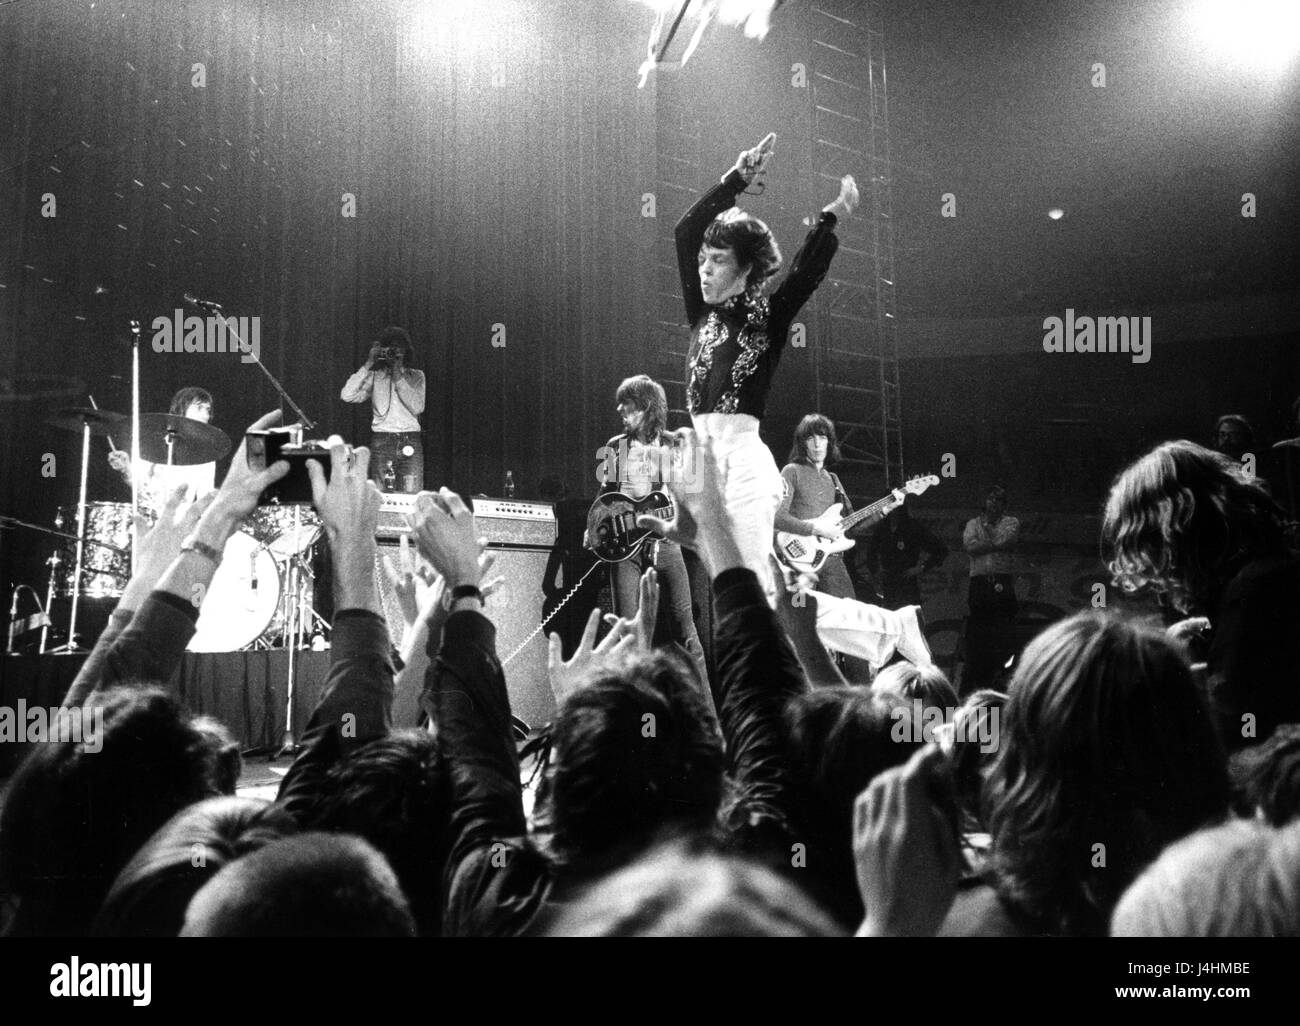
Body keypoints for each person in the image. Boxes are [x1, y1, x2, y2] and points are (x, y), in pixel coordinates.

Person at [676, 131, 856, 601]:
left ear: (745, 268)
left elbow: (803, 273)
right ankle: (886, 626)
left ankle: (875, 629)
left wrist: (831, 218)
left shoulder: (768, 320)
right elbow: (684, 232)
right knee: (721, 595)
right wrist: (735, 179)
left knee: (755, 595)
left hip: (745, 462)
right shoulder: (701, 311)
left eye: (717, 260)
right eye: (702, 261)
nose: (704, 270)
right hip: (700, 462)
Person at [1103, 439, 1300, 751]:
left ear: (1172, 533)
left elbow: (1236, 738)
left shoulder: (1253, 591)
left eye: (1149, 548)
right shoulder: (1263, 577)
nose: (1158, 578)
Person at [598, 374, 708, 687]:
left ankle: (708, 721)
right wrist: (595, 527)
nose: (621, 410)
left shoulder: (676, 447)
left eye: (628, 406)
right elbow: (605, 496)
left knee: (687, 632)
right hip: (625, 550)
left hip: (667, 548)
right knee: (630, 634)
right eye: (620, 405)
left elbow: (695, 498)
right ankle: (634, 717)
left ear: (647, 408)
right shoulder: (614, 448)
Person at [775, 414, 875, 601]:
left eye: (822, 437)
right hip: (798, 556)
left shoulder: (833, 479)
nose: (817, 444)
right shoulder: (792, 471)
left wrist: (887, 507)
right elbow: (778, 517)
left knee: (847, 615)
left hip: (831, 558)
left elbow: (853, 526)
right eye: (810, 438)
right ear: (802, 443)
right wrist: (817, 529)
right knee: (800, 620)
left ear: (830, 442)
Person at [341, 326, 426, 492]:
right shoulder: (375, 376)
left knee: (412, 493)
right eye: (390, 348)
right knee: (382, 495)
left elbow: (417, 407)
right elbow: (347, 395)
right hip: (382, 441)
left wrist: (397, 373)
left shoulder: (417, 376)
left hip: (411, 440)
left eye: (397, 348)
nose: (393, 353)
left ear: (406, 351)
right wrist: (368, 364)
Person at [107, 386, 216, 508]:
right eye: (199, 408)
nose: (205, 415)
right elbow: (139, 488)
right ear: (180, 409)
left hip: (181, 522)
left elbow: (204, 499)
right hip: (148, 515)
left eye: (207, 410)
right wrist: (126, 468)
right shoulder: (151, 443)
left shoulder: (206, 455)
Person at [961, 485, 1020, 693]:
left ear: (1004, 505)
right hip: (979, 583)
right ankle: (975, 680)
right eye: (990, 499)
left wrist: (987, 537)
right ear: (984, 502)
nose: (994, 503)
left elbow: (1006, 540)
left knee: (1002, 631)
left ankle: (1000, 678)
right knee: (978, 632)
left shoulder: (1011, 522)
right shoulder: (971, 523)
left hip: (1002, 581)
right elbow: (970, 546)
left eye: (999, 500)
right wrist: (993, 543)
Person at [864, 502, 948, 611]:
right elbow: (871, 552)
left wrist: (920, 568)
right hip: (888, 582)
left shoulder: (912, 527)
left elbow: (940, 550)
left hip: (907, 581)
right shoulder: (882, 527)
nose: (892, 510)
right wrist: (876, 571)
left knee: (909, 617)